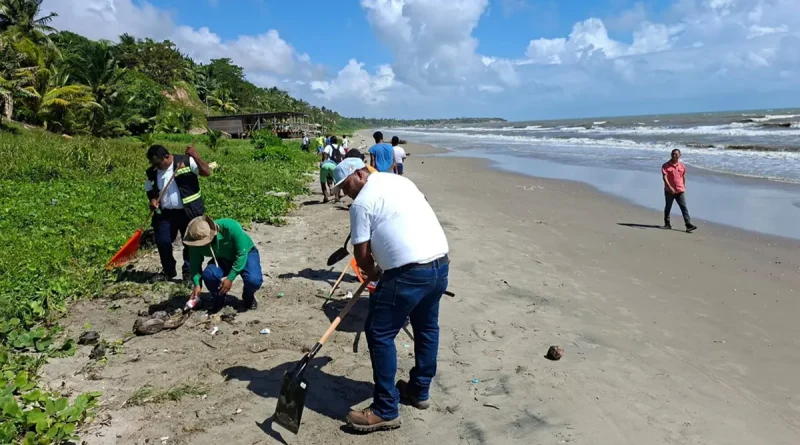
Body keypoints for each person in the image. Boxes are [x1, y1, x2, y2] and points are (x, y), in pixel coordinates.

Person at [332, 158, 450, 432]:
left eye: (346, 185)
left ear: (359, 173)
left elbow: (361, 255)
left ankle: (385, 408)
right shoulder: (400, 181)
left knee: (379, 333)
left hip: (408, 273)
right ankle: (419, 391)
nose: (344, 192)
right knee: (426, 328)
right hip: (439, 264)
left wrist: (372, 272)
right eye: (340, 188)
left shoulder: (361, 203)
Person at [145, 144, 211, 281]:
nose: (155, 166)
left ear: (167, 157)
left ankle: (189, 272)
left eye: (157, 163)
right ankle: (168, 271)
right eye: (153, 163)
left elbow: (207, 172)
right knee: (162, 241)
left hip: (189, 212)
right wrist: (152, 200)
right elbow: (149, 188)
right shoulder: (152, 171)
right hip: (166, 214)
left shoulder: (186, 161)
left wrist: (195, 155)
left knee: (191, 243)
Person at [184, 216, 264, 313]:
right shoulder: (195, 240)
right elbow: (195, 265)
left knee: (253, 280)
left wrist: (230, 278)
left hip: (246, 253)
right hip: (222, 258)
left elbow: (241, 254)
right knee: (209, 275)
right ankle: (219, 299)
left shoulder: (231, 227)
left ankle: (248, 297)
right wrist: (197, 284)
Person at [662, 149, 697, 233]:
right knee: (668, 207)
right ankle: (667, 223)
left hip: (680, 190)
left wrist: (683, 186)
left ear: (679, 155)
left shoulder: (682, 166)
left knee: (683, 207)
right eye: (673, 154)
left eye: (676, 154)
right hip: (669, 191)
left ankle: (688, 224)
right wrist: (670, 187)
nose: (674, 156)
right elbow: (664, 177)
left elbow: (683, 177)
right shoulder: (666, 165)